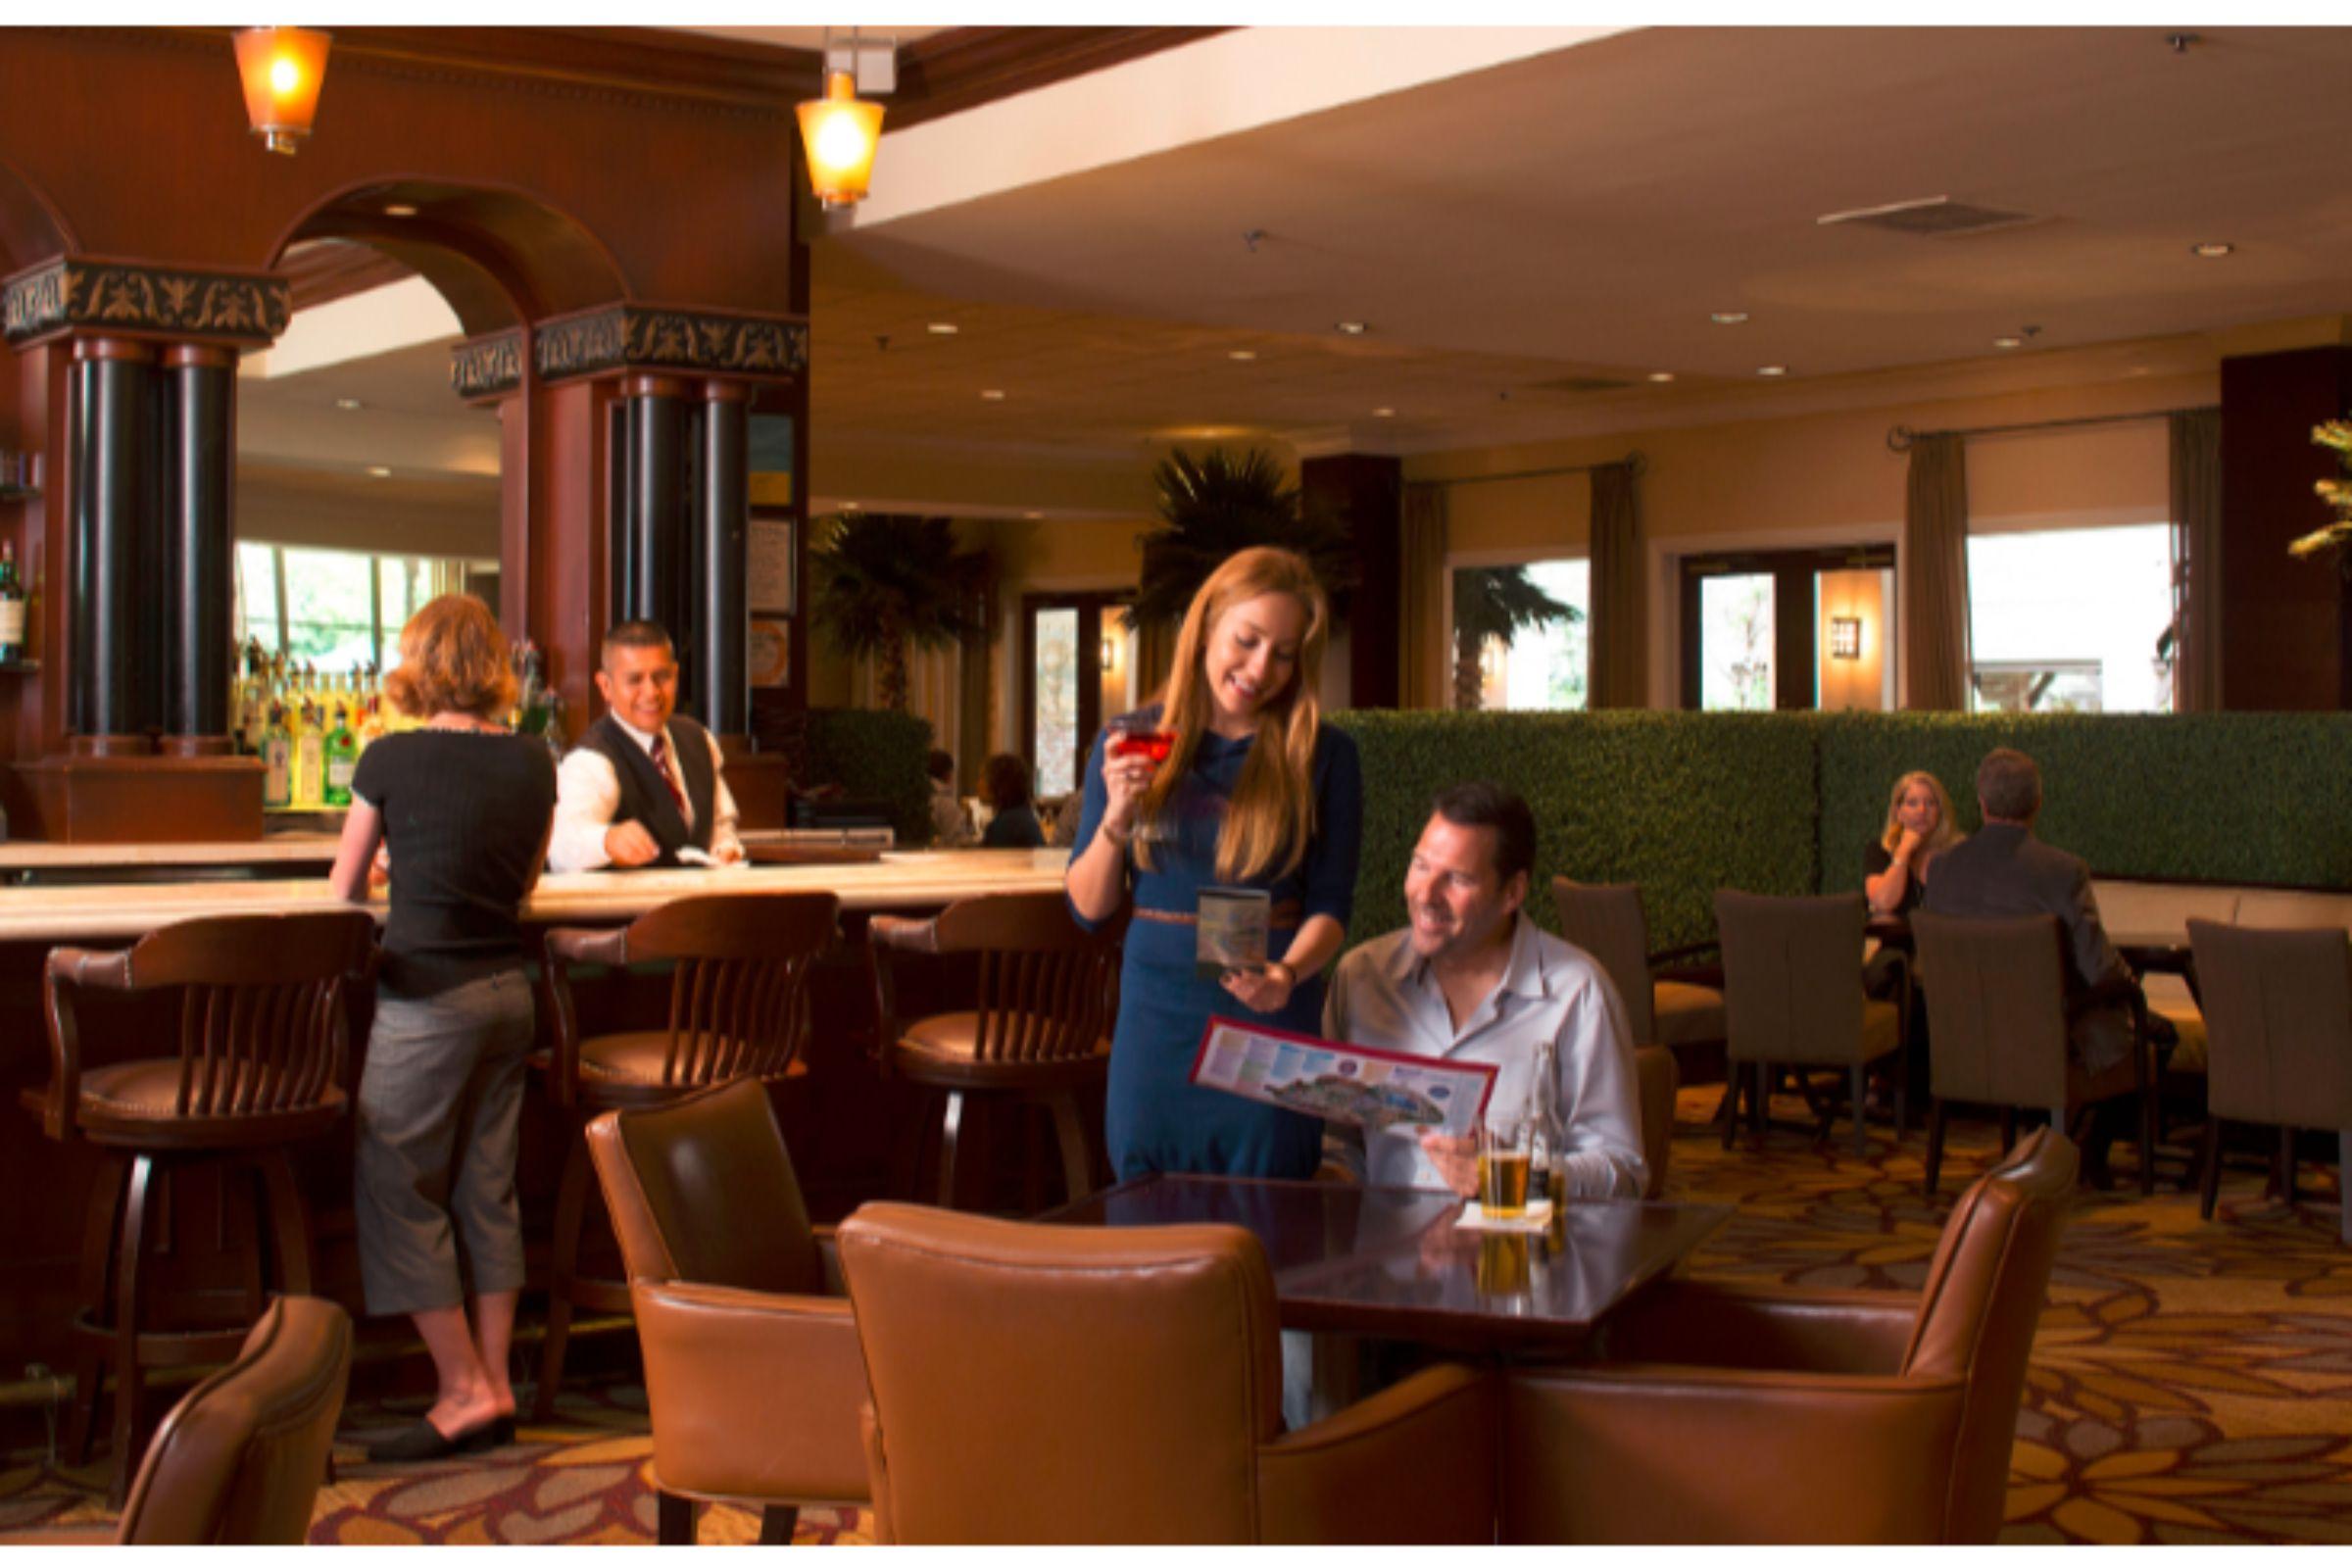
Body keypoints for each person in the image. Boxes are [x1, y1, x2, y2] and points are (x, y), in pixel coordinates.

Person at [328, 595, 557, 1461]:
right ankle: (495, 1385)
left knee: (397, 1179)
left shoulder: (389, 755)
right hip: (510, 991)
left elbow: (345, 890)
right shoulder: (535, 760)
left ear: (417, 663)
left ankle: (461, 1388)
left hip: (429, 999)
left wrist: (399, 867)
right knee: (487, 1188)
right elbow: (521, 883)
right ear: (494, 666)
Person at [1066, 546, 1363, 1180]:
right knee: (1147, 1237)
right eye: (1247, 640)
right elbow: (1089, 911)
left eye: (1284, 653)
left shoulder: (1326, 755)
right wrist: (1116, 820)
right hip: (1157, 1018)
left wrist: (1285, 974)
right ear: (1205, 627)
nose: (1261, 668)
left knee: (1274, 1229)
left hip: (1272, 1018)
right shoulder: (1129, 739)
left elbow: (1331, 907)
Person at [1321, 782, 1647, 1199]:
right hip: (1388, 1259)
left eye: (1456, 879)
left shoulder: (1578, 995)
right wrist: (1336, 1175)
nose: (1425, 894)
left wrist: (1513, 1179)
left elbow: (1623, 1171)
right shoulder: (1362, 978)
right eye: (1420, 866)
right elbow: (1339, 1142)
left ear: (1512, 892)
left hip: (1519, 1257)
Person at [1922, 748, 2151, 1177]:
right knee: (2151, 1036)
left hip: (1963, 1043)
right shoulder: (2061, 872)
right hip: (2046, 1044)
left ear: (1982, 802)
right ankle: (2083, 1156)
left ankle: (2047, 1147)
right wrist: (2132, 988)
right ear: (2038, 803)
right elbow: (2098, 967)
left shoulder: (1942, 871)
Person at [547, 620, 743, 871]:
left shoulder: (698, 738)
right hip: (632, 910)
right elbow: (562, 848)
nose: (651, 692)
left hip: (698, 905)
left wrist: (724, 848)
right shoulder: (590, 761)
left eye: (662, 677)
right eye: (635, 680)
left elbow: (720, 824)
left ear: (676, 674)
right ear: (605, 686)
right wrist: (606, 841)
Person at [1864, 769, 1960, 916]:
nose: (1922, 810)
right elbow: (1883, 902)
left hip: (1944, 937)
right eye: (1912, 803)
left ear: (1939, 812)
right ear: (1898, 812)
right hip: (1895, 938)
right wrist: (1903, 850)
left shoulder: (1957, 852)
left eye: (1930, 803)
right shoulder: (1879, 850)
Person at [979, 752, 1046, 849]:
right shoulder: (1022, 816)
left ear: (1000, 785)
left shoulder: (1005, 826)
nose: (978, 784)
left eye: (983, 778)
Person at [927, 748, 973, 847]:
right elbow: (960, 840)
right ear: (947, 774)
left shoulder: (919, 796)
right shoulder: (945, 802)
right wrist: (969, 825)